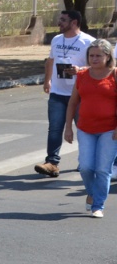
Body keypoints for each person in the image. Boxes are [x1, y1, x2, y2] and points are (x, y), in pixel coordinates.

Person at [36, 10, 93, 177]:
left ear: (74, 22)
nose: (58, 22)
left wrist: (80, 69)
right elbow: (51, 61)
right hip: (58, 92)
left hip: (80, 93)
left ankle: (85, 161)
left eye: (63, 20)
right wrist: (47, 81)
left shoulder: (88, 41)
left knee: (83, 129)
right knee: (54, 128)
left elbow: (100, 66)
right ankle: (52, 163)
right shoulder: (56, 39)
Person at [64, 39, 117, 219]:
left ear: (108, 56)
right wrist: (68, 128)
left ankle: (98, 205)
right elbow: (73, 103)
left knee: (103, 169)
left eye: (98, 56)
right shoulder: (82, 75)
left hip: (109, 129)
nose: (94, 59)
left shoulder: (115, 75)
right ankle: (93, 192)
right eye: (91, 55)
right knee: (86, 167)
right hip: (86, 128)